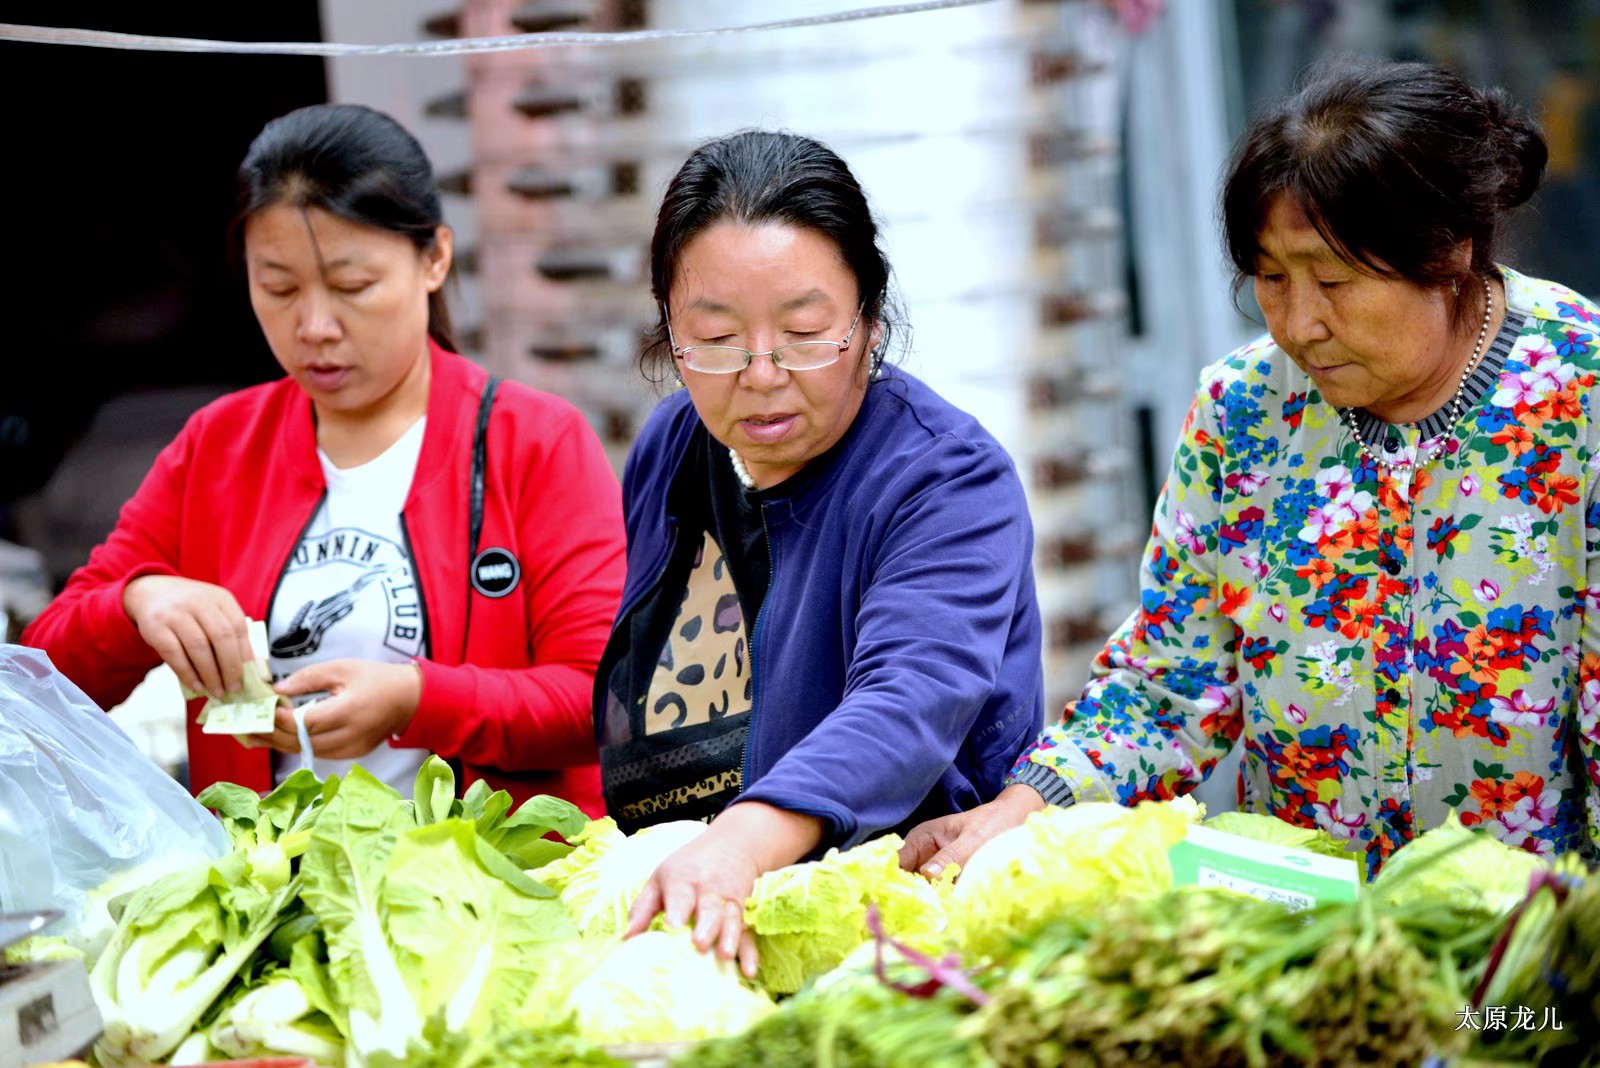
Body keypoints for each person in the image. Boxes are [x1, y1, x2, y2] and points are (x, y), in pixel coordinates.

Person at [903, 57, 1600, 882]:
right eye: (1271, 280)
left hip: (1535, 951)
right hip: (1306, 937)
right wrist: (1022, 809)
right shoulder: (1244, 414)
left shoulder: (1577, 394)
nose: (1301, 324)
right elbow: (1168, 683)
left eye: (1335, 280)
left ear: (1447, 252)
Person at [24, 104, 626, 814]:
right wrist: (136, 603)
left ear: (434, 257)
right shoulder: (216, 448)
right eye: (277, 288)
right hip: (273, 900)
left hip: (490, 904)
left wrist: (415, 699)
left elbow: (601, 700)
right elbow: (45, 682)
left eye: (351, 286)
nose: (314, 326)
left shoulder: (533, 441)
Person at [604, 130, 1044, 971]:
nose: (762, 373)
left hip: (893, 937)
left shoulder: (946, 478)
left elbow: (908, 702)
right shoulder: (669, 447)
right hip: (693, 914)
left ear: (870, 323)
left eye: (806, 333)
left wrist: (738, 844)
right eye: (717, 337)